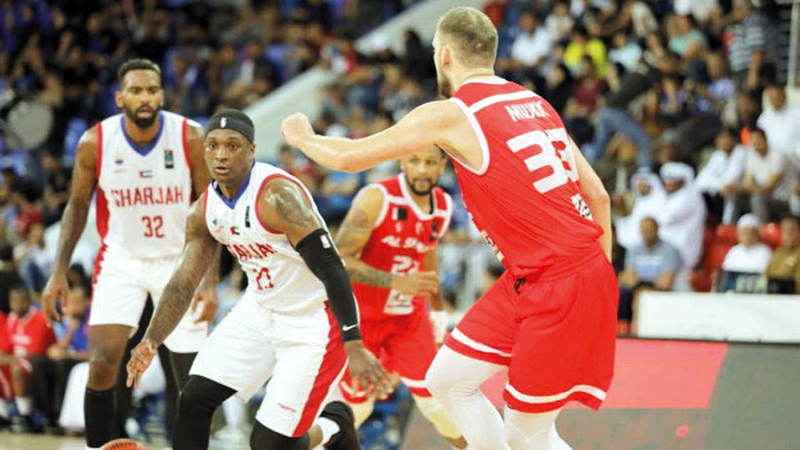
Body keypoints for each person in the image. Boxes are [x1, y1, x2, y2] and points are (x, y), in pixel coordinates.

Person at [281, 7, 618, 449]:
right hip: (546, 275)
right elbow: (599, 196)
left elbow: (347, 157)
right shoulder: (535, 102)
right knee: (447, 380)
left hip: (560, 282)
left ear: (443, 56)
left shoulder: (453, 114)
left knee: (526, 436)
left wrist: (302, 137)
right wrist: (599, 277)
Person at [126, 110, 393, 450]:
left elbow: (332, 268)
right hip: (260, 309)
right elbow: (183, 282)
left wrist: (353, 343)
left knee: (268, 445)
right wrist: (151, 340)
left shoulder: (278, 197)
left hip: (312, 321)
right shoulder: (204, 209)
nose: (221, 155)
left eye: (232, 146)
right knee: (193, 399)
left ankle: (334, 425)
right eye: (213, 145)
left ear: (251, 150)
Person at [40, 58, 218, 450]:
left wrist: (209, 280)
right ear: (120, 98)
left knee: (190, 377)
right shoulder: (95, 142)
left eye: (152, 90)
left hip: (180, 261)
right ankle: (98, 447)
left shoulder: (189, 136)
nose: (145, 97)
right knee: (103, 361)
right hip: (121, 260)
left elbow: (212, 212)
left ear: (162, 95)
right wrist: (58, 271)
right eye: (136, 90)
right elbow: (77, 207)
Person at [334, 147, 466, 447]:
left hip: (408, 318)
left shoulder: (443, 205)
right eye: (415, 161)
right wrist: (396, 281)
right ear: (402, 161)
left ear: (442, 165)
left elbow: (427, 254)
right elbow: (339, 259)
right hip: (363, 319)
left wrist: (438, 316)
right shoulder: (376, 198)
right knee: (355, 409)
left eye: (430, 162)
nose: (422, 169)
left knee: (439, 404)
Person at [30, 280, 90, 432]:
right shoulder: (63, 322)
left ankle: (59, 414)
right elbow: (53, 351)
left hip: (82, 362)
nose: (74, 305)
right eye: (71, 302)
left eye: (78, 301)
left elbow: (93, 353)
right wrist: (70, 330)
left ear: (86, 302)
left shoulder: (91, 321)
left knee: (64, 364)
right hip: (66, 360)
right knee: (38, 362)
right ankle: (46, 415)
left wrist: (70, 354)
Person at [0, 285, 56, 432]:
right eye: (12, 301)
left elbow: (36, 352)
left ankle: (25, 415)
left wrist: (11, 359)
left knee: (17, 368)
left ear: (27, 302)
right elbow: (6, 347)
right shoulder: (11, 319)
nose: (15, 305)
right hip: (16, 359)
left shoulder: (40, 319)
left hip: (37, 362)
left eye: (19, 301)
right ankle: (4, 414)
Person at [617, 217, 682, 333]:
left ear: (657, 229)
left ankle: (639, 332)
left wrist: (642, 280)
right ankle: (624, 328)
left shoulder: (669, 250)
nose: (646, 233)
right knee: (622, 291)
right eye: (643, 230)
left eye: (649, 229)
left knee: (642, 296)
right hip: (638, 288)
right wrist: (647, 281)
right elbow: (629, 277)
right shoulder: (634, 249)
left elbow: (666, 281)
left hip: (660, 290)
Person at [765, 215, 800, 292]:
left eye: (792, 229)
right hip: (775, 297)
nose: (788, 234)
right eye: (785, 230)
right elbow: (766, 277)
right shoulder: (777, 253)